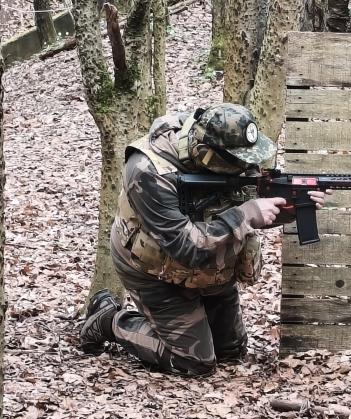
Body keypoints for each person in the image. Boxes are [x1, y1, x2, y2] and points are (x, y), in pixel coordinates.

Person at [79, 104, 329, 376]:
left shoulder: (231, 157)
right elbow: (185, 248)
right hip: (152, 269)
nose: (248, 167)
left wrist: (287, 210)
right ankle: (108, 320)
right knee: (195, 362)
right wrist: (247, 215)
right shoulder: (148, 170)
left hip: (210, 265)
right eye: (239, 161)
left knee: (230, 351)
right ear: (209, 155)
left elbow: (243, 202)